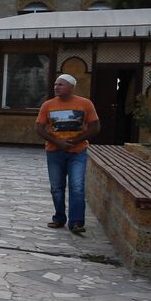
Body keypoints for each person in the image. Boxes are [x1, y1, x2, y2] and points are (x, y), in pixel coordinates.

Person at [35, 73, 100, 235]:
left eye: (61, 84)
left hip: (77, 152)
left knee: (77, 187)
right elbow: (39, 128)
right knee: (56, 187)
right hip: (54, 152)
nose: (56, 87)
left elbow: (95, 126)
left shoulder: (85, 104)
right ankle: (59, 217)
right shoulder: (48, 105)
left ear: (71, 87)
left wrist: (77, 140)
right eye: (56, 84)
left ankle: (76, 222)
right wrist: (58, 142)